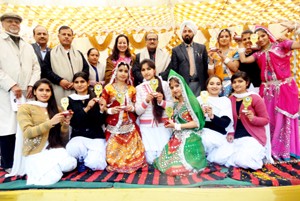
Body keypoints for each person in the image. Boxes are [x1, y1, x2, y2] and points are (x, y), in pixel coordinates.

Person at [238, 25, 300, 161]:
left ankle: (286, 150)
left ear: (268, 34)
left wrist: (296, 28)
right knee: (269, 119)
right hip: (267, 91)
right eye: (257, 37)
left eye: (263, 35)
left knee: (283, 118)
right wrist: (240, 45)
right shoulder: (258, 53)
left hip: (284, 88)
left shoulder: (282, 45)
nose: (260, 39)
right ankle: (271, 149)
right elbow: (243, 60)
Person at [16, 79, 76, 185]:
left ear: (51, 93)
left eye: (48, 90)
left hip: (53, 148)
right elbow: (27, 132)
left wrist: (66, 124)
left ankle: (54, 165)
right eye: (41, 90)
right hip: (35, 151)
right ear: (34, 91)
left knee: (70, 164)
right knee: (48, 179)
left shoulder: (56, 108)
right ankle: (51, 167)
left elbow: (63, 138)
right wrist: (50, 122)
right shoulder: (25, 108)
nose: (44, 93)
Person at [0, 13, 40, 172]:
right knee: (7, 127)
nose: (14, 24)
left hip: (26, 93)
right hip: (6, 92)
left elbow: (36, 68)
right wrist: (11, 84)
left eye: (17, 22)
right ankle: (9, 163)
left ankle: (26, 162)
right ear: (2, 23)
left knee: (26, 127)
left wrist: (31, 85)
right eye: (10, 21)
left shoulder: (27, 45)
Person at [209, 72, 269, 170]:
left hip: (252, 137)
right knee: (217, 158)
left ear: (247, 83)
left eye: (240, 81)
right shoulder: (231, 99)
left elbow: (266, 120)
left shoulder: (255, 98)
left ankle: (256, 157)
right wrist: (231, 132)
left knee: (243, 160)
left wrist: (253, 119)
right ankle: (238, 156)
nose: (237, 84)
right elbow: (229, 120)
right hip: (236, 138)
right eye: (234, 82)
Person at [154, 70, 207, 177]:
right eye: (172, 87)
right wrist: (171, 123)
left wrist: (177, 126)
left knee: (175, 169)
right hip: (177, 138)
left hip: (190, 138)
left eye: (177, 86)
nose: (175, 89)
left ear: (183, 85)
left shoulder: (191, 101)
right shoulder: (176, 104)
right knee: (163, 163)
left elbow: (196, 123)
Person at [101, 61, 146, 173]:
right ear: (115, 72)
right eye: (120, 70)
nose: (123, 73)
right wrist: (110, 110)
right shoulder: (108, 88)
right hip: (114, 127)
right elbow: (102, 107)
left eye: (126, 71)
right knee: (113, 156)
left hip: (129, 126)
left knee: (134, 156)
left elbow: (136, 106)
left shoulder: (132, 89)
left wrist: (132, 108)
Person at [66, 72, 107, 171]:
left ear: (88, 83)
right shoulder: (70, 100)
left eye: (82, 81)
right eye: (76, 82)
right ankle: (82, 159)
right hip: (79, 136)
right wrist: (87, 108)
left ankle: (87, 159)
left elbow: (100, 122)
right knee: (72, 149)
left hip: (95, 136)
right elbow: (74, 122)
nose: (79, 84)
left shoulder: (96, 97)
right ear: (73, 84)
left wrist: (101, 110)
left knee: (95, 163)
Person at [135, 59, 173, 164]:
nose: (146, 72)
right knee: (150, 160)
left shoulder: (165, 85)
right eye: (143, 70)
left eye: (149, 69)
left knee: (164, 158)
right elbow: (137, 112)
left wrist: (161, 102)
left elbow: (172, 106)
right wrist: (146, 101)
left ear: (154, 70)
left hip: (162, 125)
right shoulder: (138, 88)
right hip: (146, 127)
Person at [41, 25, 89, 104]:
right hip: (59, 89)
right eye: (64, 34)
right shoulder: (51, 54)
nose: (66, 37)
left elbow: (86, 69)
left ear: (72, 38)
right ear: (59, 37)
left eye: (69, 35)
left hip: (78, 89)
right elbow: (46, 70)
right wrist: (60, 80)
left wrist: (76, 82)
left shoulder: (78, 53)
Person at [161, 20, 208, 96]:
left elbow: (206, 68)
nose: (187, 33)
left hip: (200, 85)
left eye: (189, 31)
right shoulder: (176, 50)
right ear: (181, 34)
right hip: (185, 85)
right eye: (184, 31)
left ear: (193, 33)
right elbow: (174, 69)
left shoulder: (201, 48)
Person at [196, 75, 234, 157]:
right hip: (201, 131)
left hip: (217, 134)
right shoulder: (199, 99)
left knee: (222, 158)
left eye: (218, 84)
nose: (215, 86)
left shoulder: (225, 101)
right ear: (207, 86)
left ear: (221, 86)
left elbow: (225, 123)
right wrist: (201, 114)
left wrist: (212, 116)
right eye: (212, 84)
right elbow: (193, 119)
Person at [207, 28, 239, 96]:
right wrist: (210, 61)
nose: (224, 38)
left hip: (232, 84)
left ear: (230, 38)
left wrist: (223, 57)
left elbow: (235, 68)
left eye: (226, 36)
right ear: (218, 39)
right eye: (221, 37)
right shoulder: (213, 54)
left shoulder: (234, 52)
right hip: (218, 85)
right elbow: (211, 75)